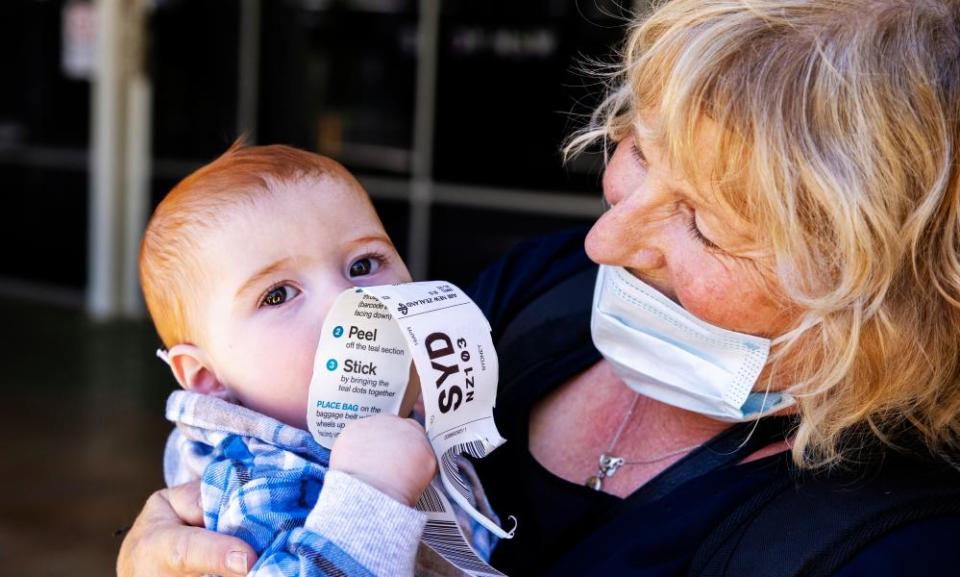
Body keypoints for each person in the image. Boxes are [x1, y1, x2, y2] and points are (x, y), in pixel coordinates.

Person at [119, 1, 960, 576]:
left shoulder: (895, 542)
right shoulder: (539, 292)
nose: (605, 241)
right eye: (635, 150)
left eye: (704, 223)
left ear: (882, 287)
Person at [136, 142, 496, 576]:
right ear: (208, 376)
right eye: (278, 294)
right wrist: (372, 492)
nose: (349, 301)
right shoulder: (255, 479)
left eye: (363, 266)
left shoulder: (410, 404)